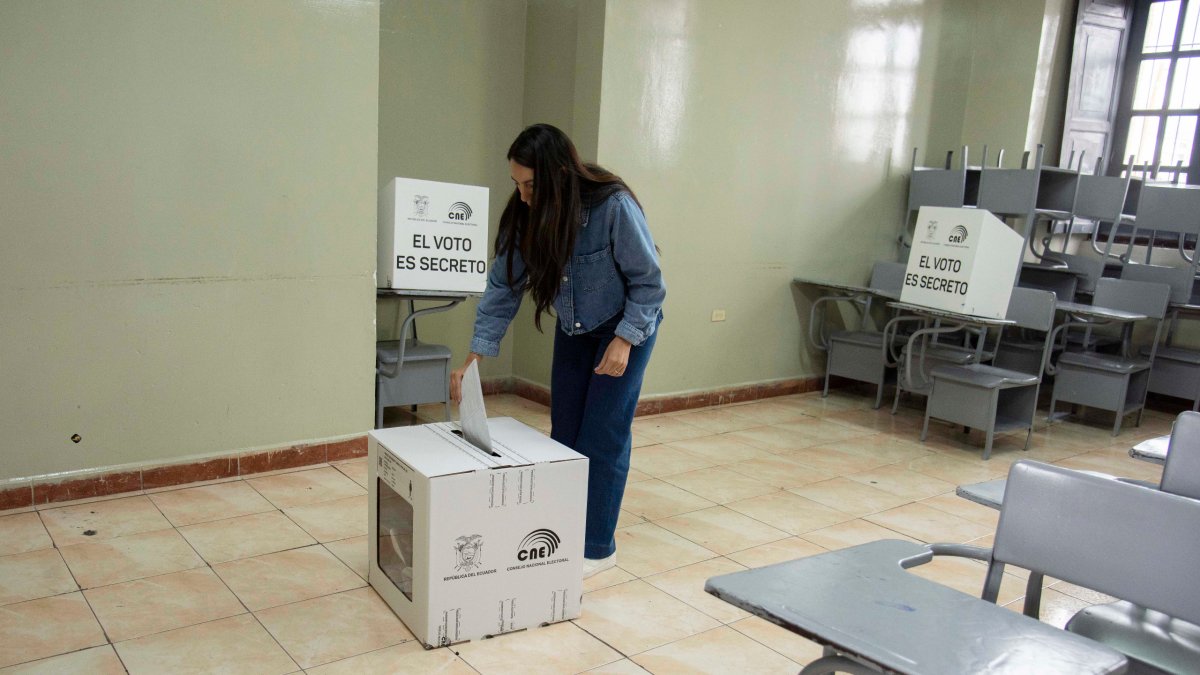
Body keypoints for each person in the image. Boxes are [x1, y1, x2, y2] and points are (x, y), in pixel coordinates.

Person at [450, 123, 665, 578]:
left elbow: (649, 283)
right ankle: (561, 531)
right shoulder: (527, 213)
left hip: (627, 326)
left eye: (530, 185)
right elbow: (502, 287)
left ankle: (597, 547)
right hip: (576, 328)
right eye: (517, 185)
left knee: (602, 436)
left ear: (559, 174)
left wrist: (625, 339)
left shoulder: (613, 207)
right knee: (565, 433)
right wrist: (475, 357)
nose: (523, 196)